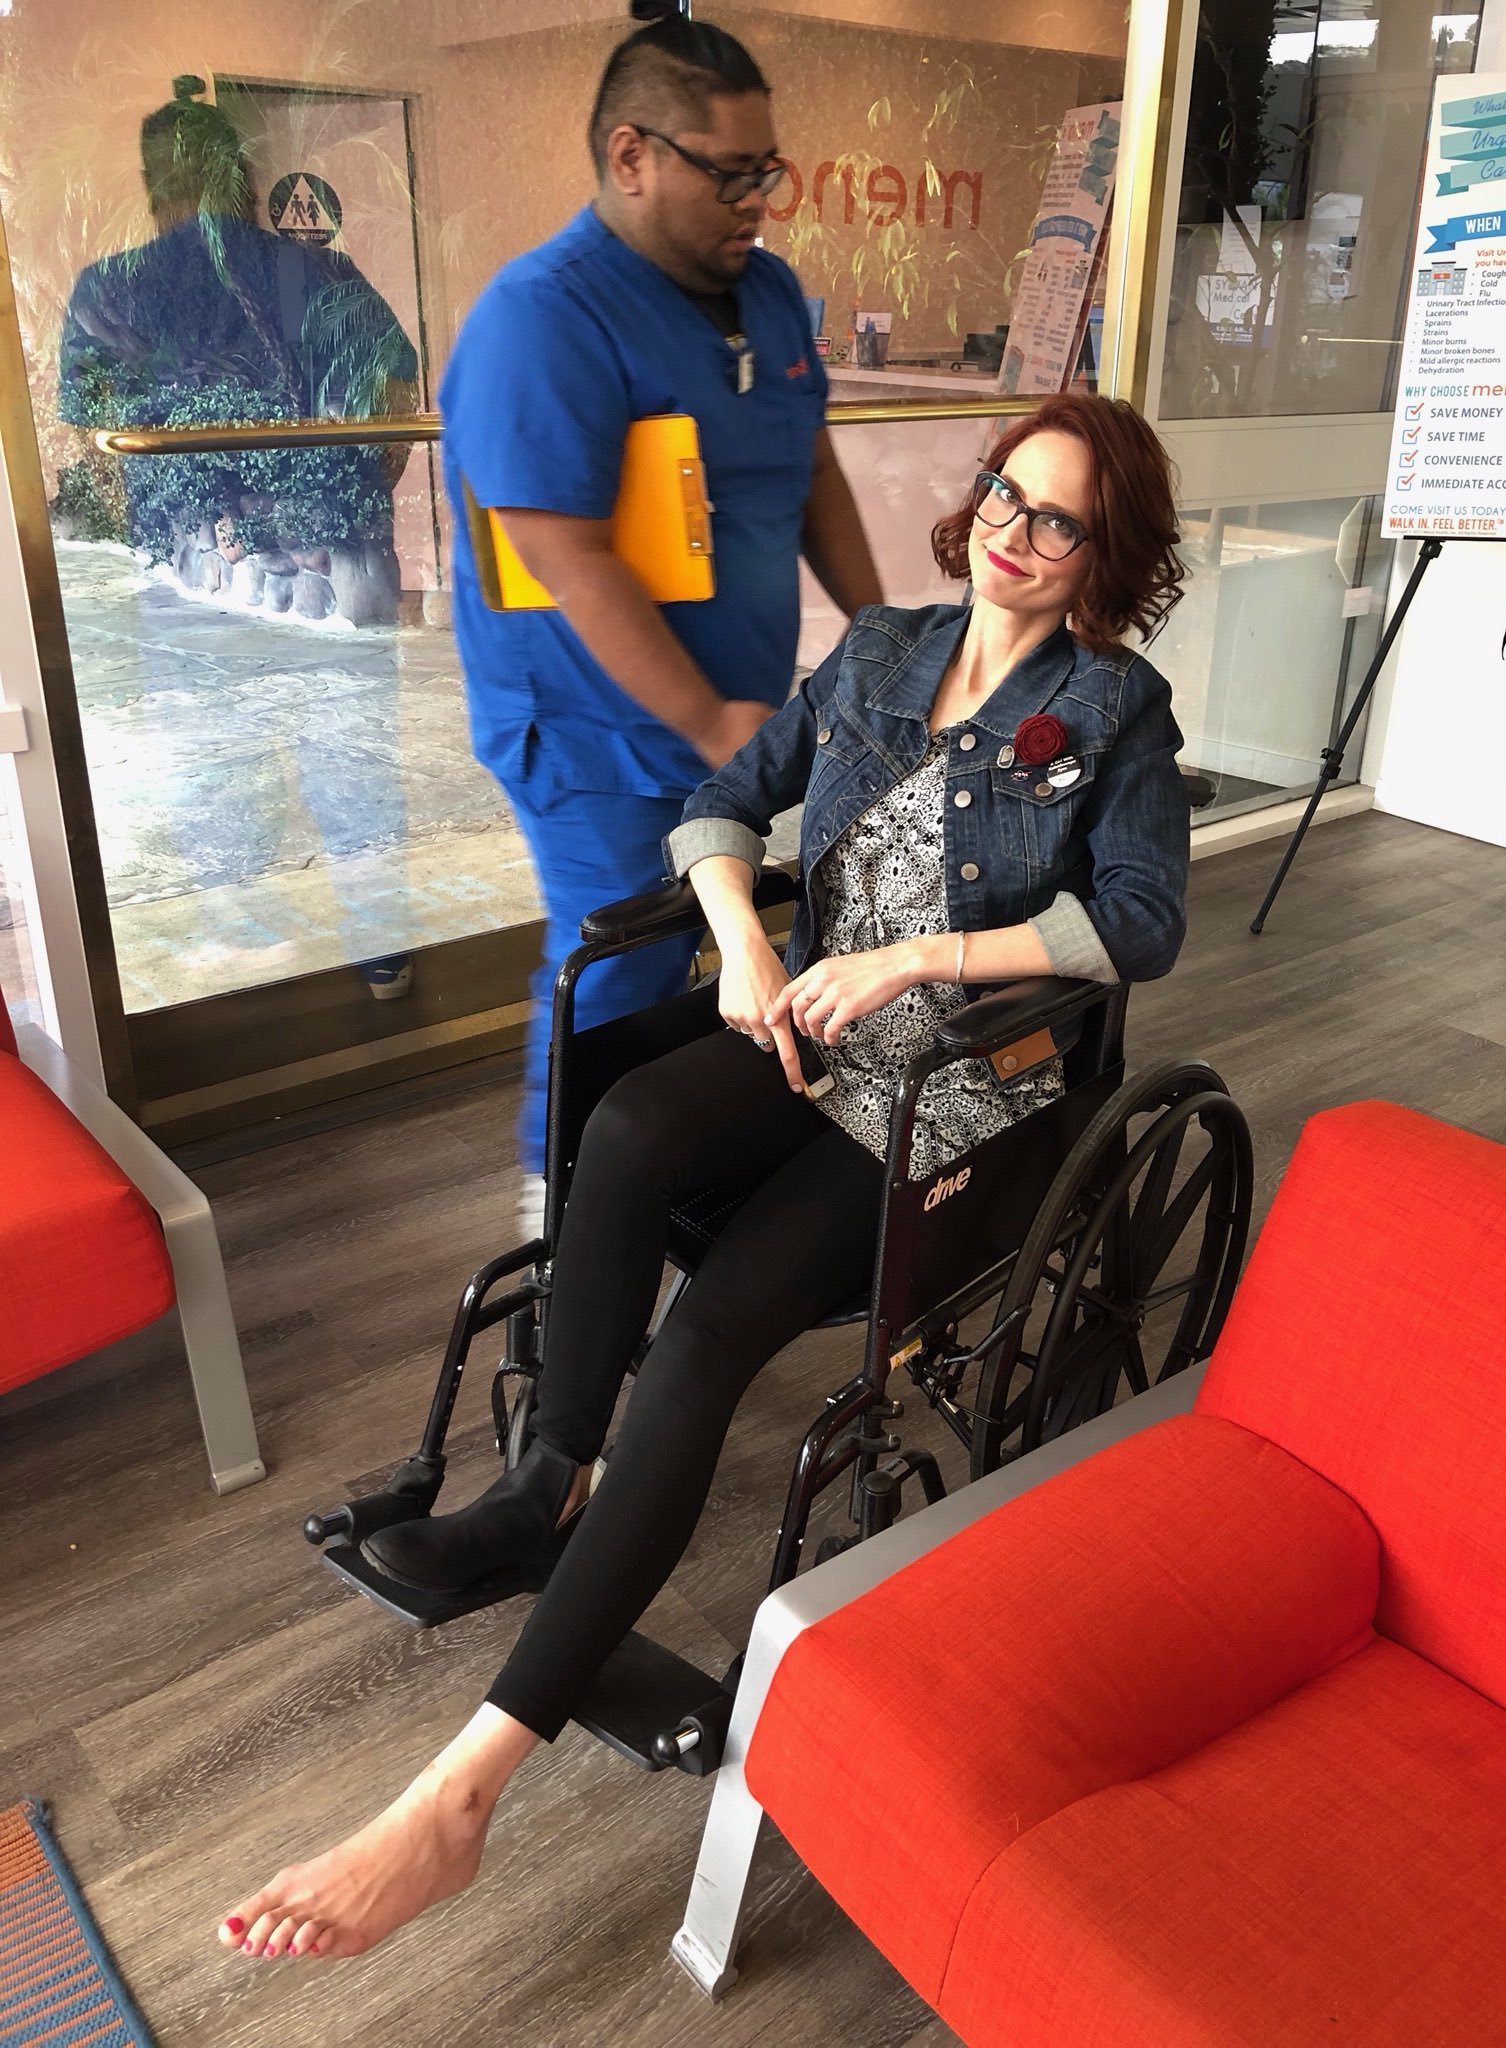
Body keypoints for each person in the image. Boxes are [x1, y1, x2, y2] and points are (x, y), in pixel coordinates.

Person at [215, 392, 1189, 1962]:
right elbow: (725, 802)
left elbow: (1139, 923)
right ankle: (547, 1485)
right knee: (627, 1125)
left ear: (1103, 551)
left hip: (967, 1075)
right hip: (810, 1020)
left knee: (714, 1320)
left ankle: (462, 1794)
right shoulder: (882, 649)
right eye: (1005, 493)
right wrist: (743, 940)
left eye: (1056, 517)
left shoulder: (1115, 711)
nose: (1013, 532)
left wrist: (916, 963)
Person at [437, 6, 882, 1214]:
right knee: (618, 965)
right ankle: (561, 1217)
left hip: (723, 728)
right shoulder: (543, 318)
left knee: (711, 938)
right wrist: (712, 723)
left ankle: (670, 1165)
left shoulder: (768, 294)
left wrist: (883, 630)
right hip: (597, 733)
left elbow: (811, 472)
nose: (756, 203)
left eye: (766, 171)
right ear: (631, 155)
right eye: (729, 174)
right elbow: (566, 552)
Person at [58, 76, 422, 999]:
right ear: (250, 181)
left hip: (197, 579)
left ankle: (250, 956)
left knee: (218, 764)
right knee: (353, 762)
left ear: (156, 187)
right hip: (341, 570)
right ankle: (382, 951)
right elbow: (394, 410)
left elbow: (97, 450)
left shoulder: (113, 291)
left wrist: (174, 532)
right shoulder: (328, 279)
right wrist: (336, 516)